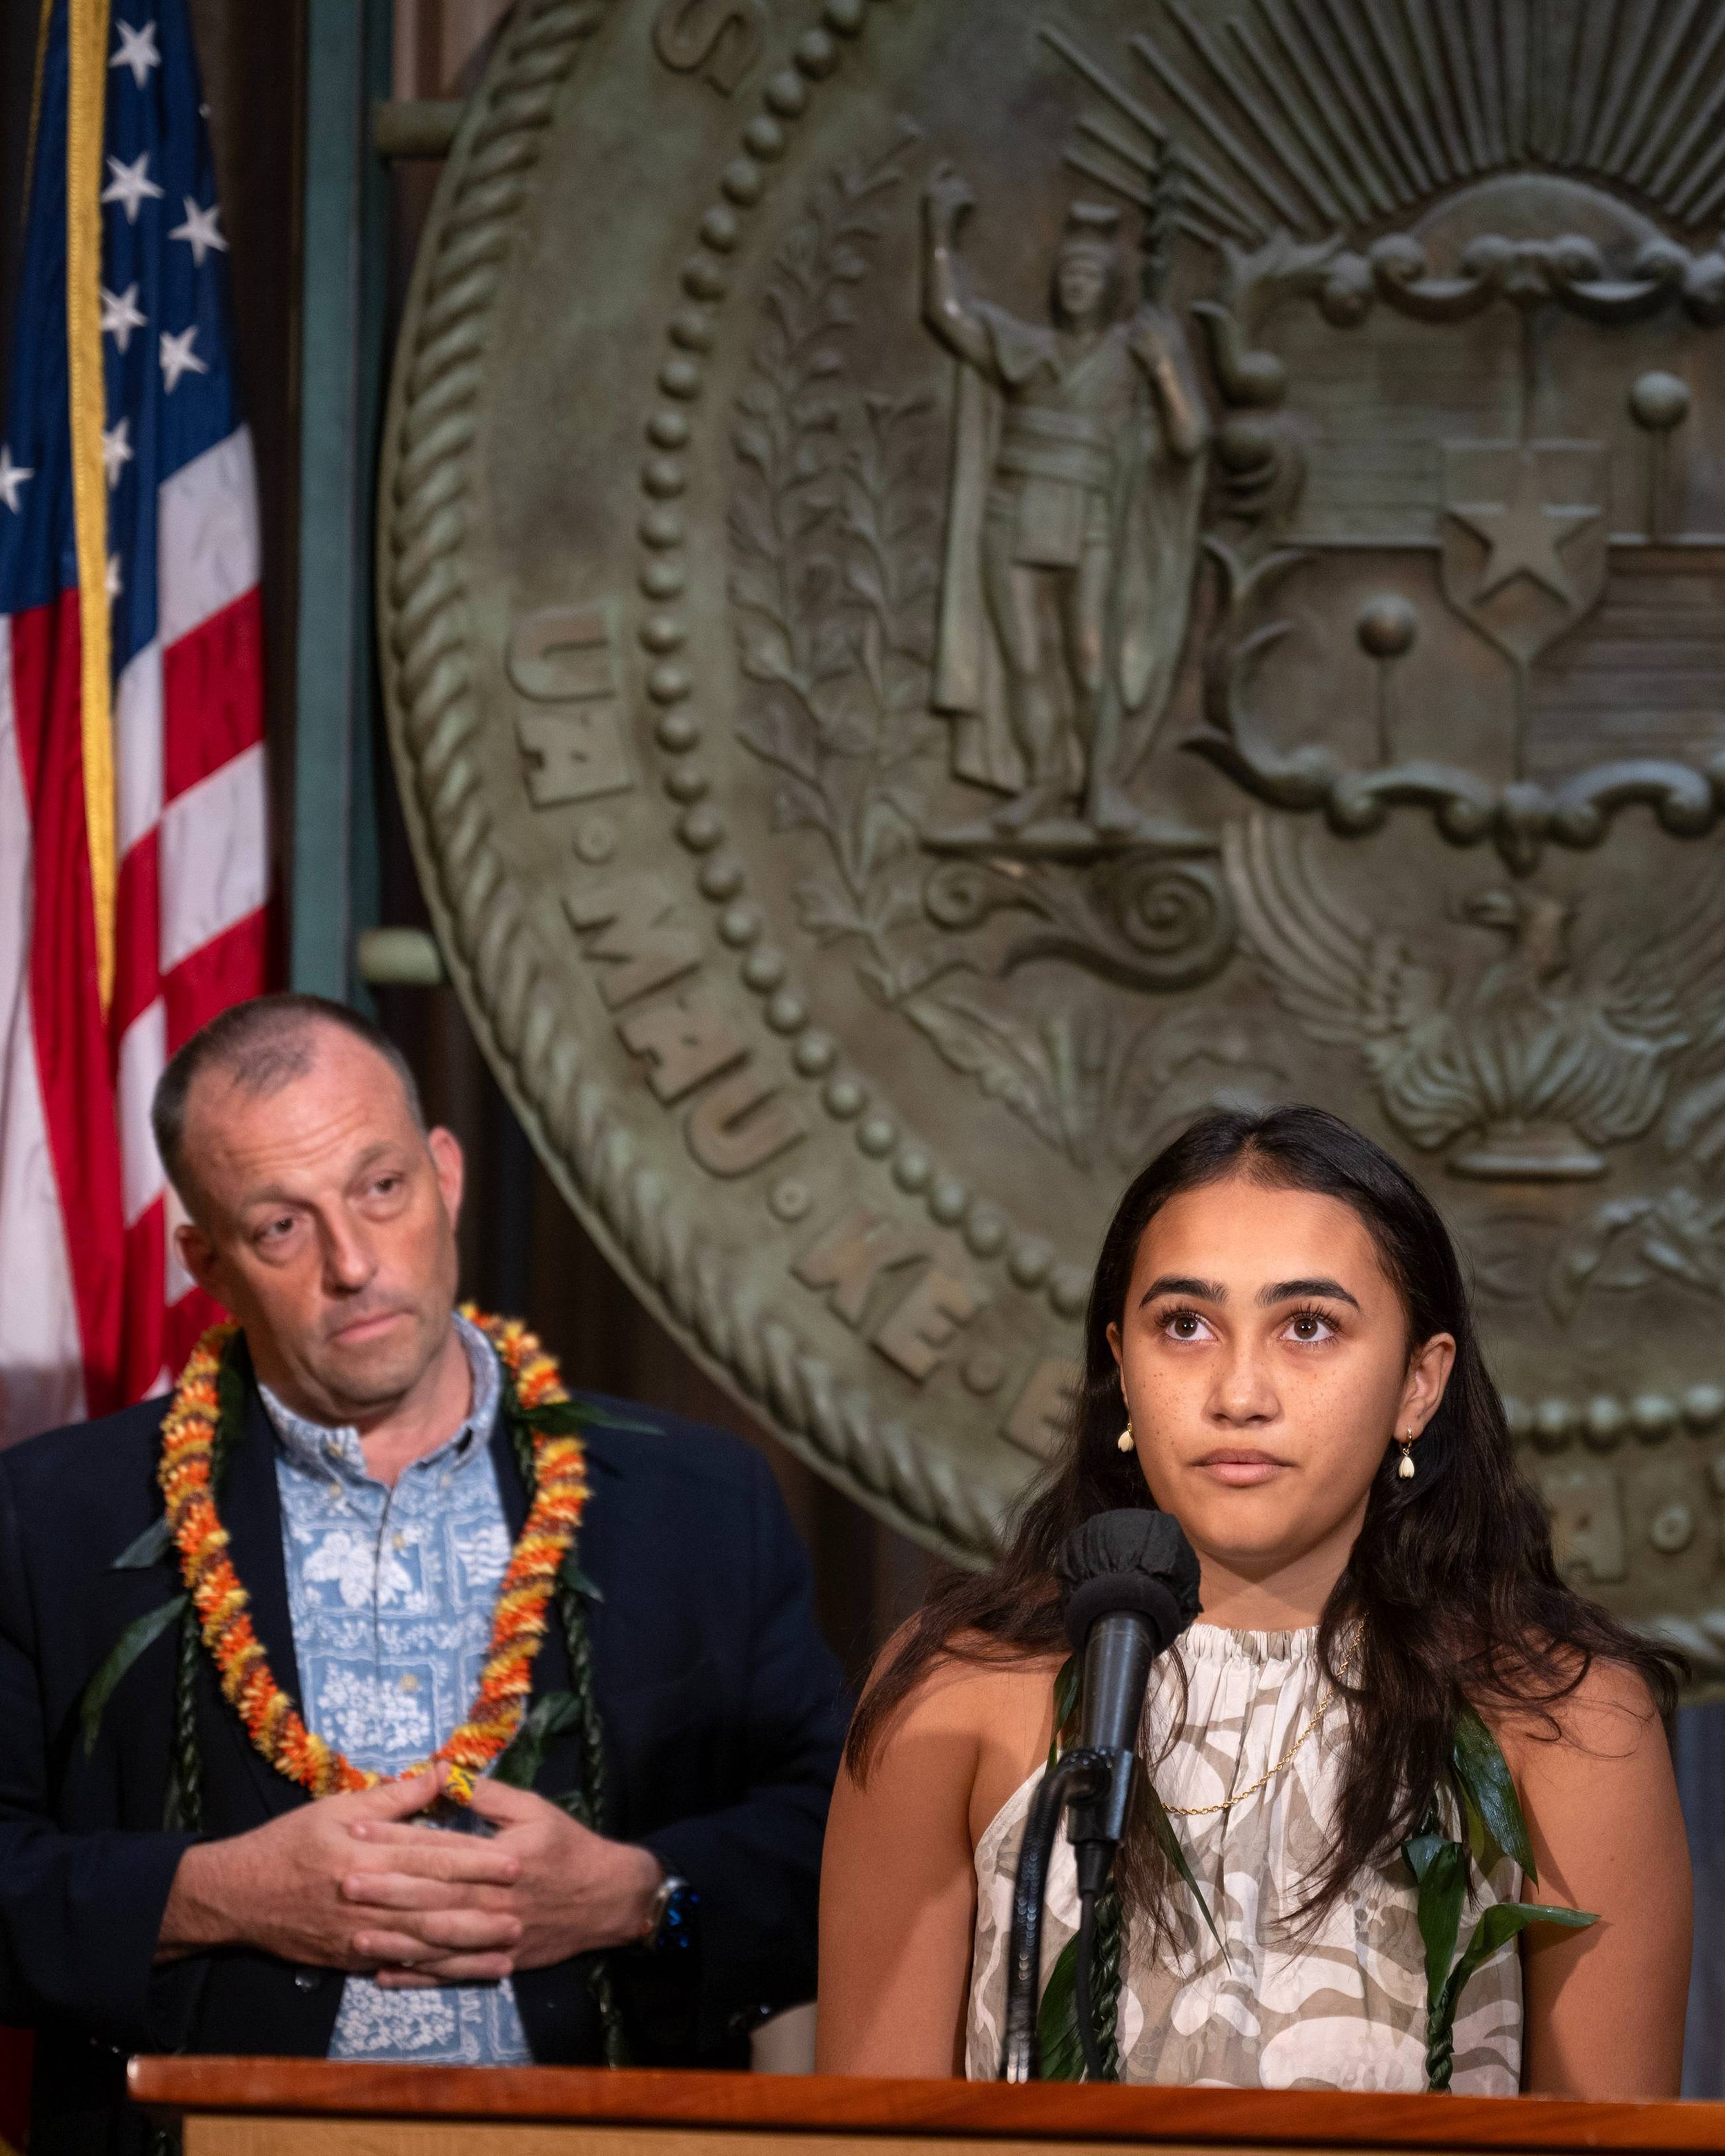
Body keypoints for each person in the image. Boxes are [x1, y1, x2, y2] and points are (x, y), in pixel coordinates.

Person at [0, 994, 847, 2155]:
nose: (353, 1262)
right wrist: (214, 1896)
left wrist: (639, 1893)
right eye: (281, 1226)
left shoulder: (701, 1503)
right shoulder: (49, 1519)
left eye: (380, 1187)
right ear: (207, 1261)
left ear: (445, 1174)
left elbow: (832, 1846)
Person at [817, 1105, 1691, 2093]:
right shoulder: (958, 1691)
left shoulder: (1564, 1717)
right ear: (1121, 1367)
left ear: (1419, 1382)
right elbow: (865, 2129)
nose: (1239, 1391)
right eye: (1185, 1325)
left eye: (1308, 1327)